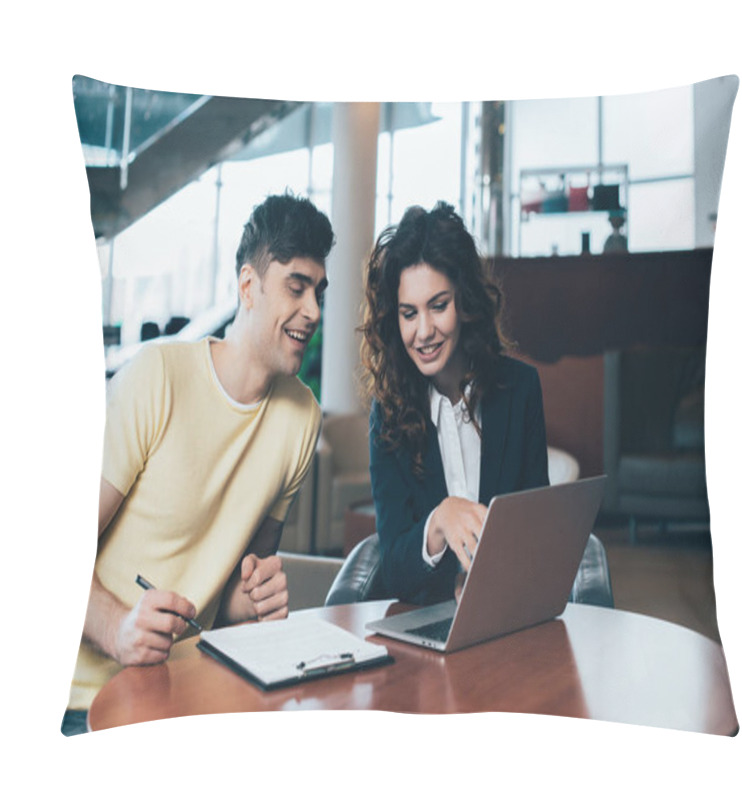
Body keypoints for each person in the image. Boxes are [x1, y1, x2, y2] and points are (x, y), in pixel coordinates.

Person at [62, 192, 334, 735]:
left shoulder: (301, 417)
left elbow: (239, 589)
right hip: (81, 704)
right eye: (296, 287)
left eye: (319, 292)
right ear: (248, 286)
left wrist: (252, 599)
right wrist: (118, 627)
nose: (314, 311)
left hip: (184, 696)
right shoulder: (158, 375)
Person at [360, 202, 549, 606]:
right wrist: (438, 522)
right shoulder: (388, 414)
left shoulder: (521, 390)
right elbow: (393, 568)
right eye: (409, 313)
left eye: (438, 306)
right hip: (427, 638)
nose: (424, 332)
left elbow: (538, 531)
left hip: (509, 621)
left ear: (463, 303)